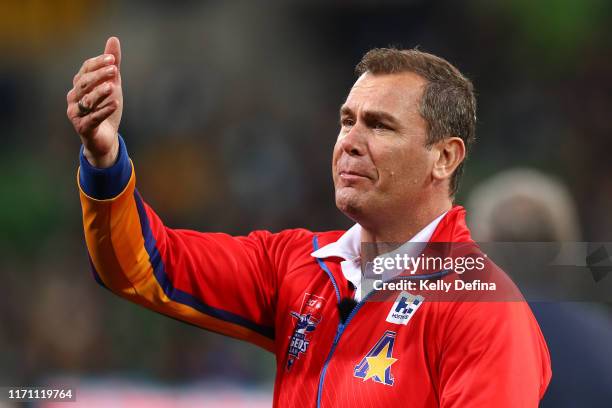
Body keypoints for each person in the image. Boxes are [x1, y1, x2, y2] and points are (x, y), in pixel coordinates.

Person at [67, 37, 551, 407]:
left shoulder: (482, 306)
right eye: (347, 121)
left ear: (444, 157)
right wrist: (104, 159)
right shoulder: (297, 266)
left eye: (379, 125)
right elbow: (144, 266)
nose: (350, 142)